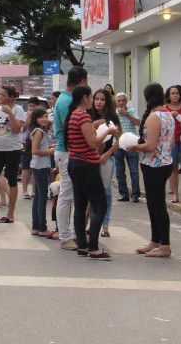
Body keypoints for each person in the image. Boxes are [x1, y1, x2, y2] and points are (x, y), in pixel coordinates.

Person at [65, 85, 116, 260]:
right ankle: (93, 247)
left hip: (74, 163)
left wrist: (94, 126)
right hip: (87, 164)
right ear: (85, 98)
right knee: (99, 205)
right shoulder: (83, 116)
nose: (93, 101)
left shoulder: (73, 115)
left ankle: (82, 245)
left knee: (80, 206)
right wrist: (108, 131)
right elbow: (93, 142)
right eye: (91, 97)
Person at [127, 83, 175, 258]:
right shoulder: (169, 115)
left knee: (158, 204)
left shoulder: (154, 117)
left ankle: (165, 244)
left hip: (154, 164)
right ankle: (156, 240)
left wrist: (134, 146)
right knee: (153, 203)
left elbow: (150, 145)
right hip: (164, 162)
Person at [53, 66, 88, 251]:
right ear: (82, 81)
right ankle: (65, 236)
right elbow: (74, 129)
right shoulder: (67, 102)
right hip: (67, 151)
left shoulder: (65, 99)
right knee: (66, 194)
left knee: (72, 194)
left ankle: (73, 233)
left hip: (68, 151)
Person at [0, 85, 25, 223]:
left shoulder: (18, 109)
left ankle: (10, 214)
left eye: (3, 95)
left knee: (12, 178)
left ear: (11, 97)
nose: (0, 97)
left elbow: (16, 129)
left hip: (13, 149)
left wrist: (10, 114)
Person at [90, 89, 120, 237]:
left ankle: (105, 225)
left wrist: (107, 154)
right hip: (89, 158)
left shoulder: (112, 118)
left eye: (102, 99)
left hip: (106, 159)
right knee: (91, 192)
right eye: (97, 99)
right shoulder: (88, 115)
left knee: (106, 192)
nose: (99, 102)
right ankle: (91, 222)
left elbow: (120, 139)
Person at [28, 107, 55, 236]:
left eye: (46, 116)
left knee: (38, 197)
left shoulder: (38, 131)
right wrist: (49, 152)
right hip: (40, 166)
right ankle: (42, 228)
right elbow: (35, 151)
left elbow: (39, 147)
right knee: (42, 197)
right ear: (36, 119)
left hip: (38, 166)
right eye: (41, 117)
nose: (44, 119)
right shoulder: (39, 131)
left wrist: (50, 147)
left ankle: (36, 227)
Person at [114, 92, 142, 202]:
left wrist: (127, 114)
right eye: (119, 101)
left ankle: (135, 194)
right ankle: (123, 194)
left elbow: (138, 123)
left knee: (134, 170)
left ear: (126, 101)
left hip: (131, 144)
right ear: (116, 102)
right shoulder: (114, 113)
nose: (121, 103)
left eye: (123, 100)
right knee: (120, 171)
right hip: (118, 144)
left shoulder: (131, 110)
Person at [164, 85, 181, 203]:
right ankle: (175, 194)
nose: (175, 95)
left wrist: (178, 116)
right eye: (173, 93)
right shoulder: (165, 108)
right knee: (174, 167)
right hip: (171, 141)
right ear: (169, 96)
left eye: (177, 93)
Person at [20, 96, 41, 199]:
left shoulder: (41, 117)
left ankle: (34, 190)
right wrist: (28, 116)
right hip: (26, 143)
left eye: (33, 106)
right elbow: (23, 128)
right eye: (30, 106)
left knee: (35, 167)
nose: (31, 108)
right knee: (26, 167)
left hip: (37, 143)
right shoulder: (25, 115)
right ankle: (24, 191)